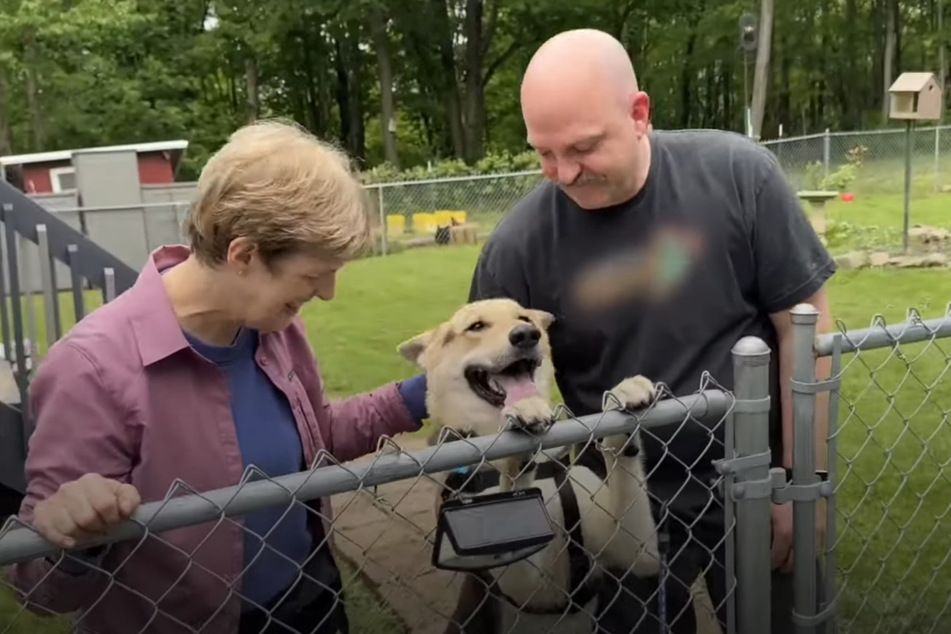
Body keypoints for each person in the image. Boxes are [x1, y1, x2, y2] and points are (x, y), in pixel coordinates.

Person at [466, 29, 834, 634]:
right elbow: (485, 389)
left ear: (639, 114)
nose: (562, 172)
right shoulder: (518, 248)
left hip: (751, 484)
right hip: (616, 502)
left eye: (582, 148)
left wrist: (802, 485)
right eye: (544, 152)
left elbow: (804, 328)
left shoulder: (740, 177)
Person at [5, 120, 429, 634]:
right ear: (244, 254)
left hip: (309, 605)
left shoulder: (275, 330)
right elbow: (35, 584)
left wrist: (424, 392)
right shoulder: (90, 368)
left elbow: (313, 442)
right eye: (314, 276)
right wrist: (73, 541)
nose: (328, 293)